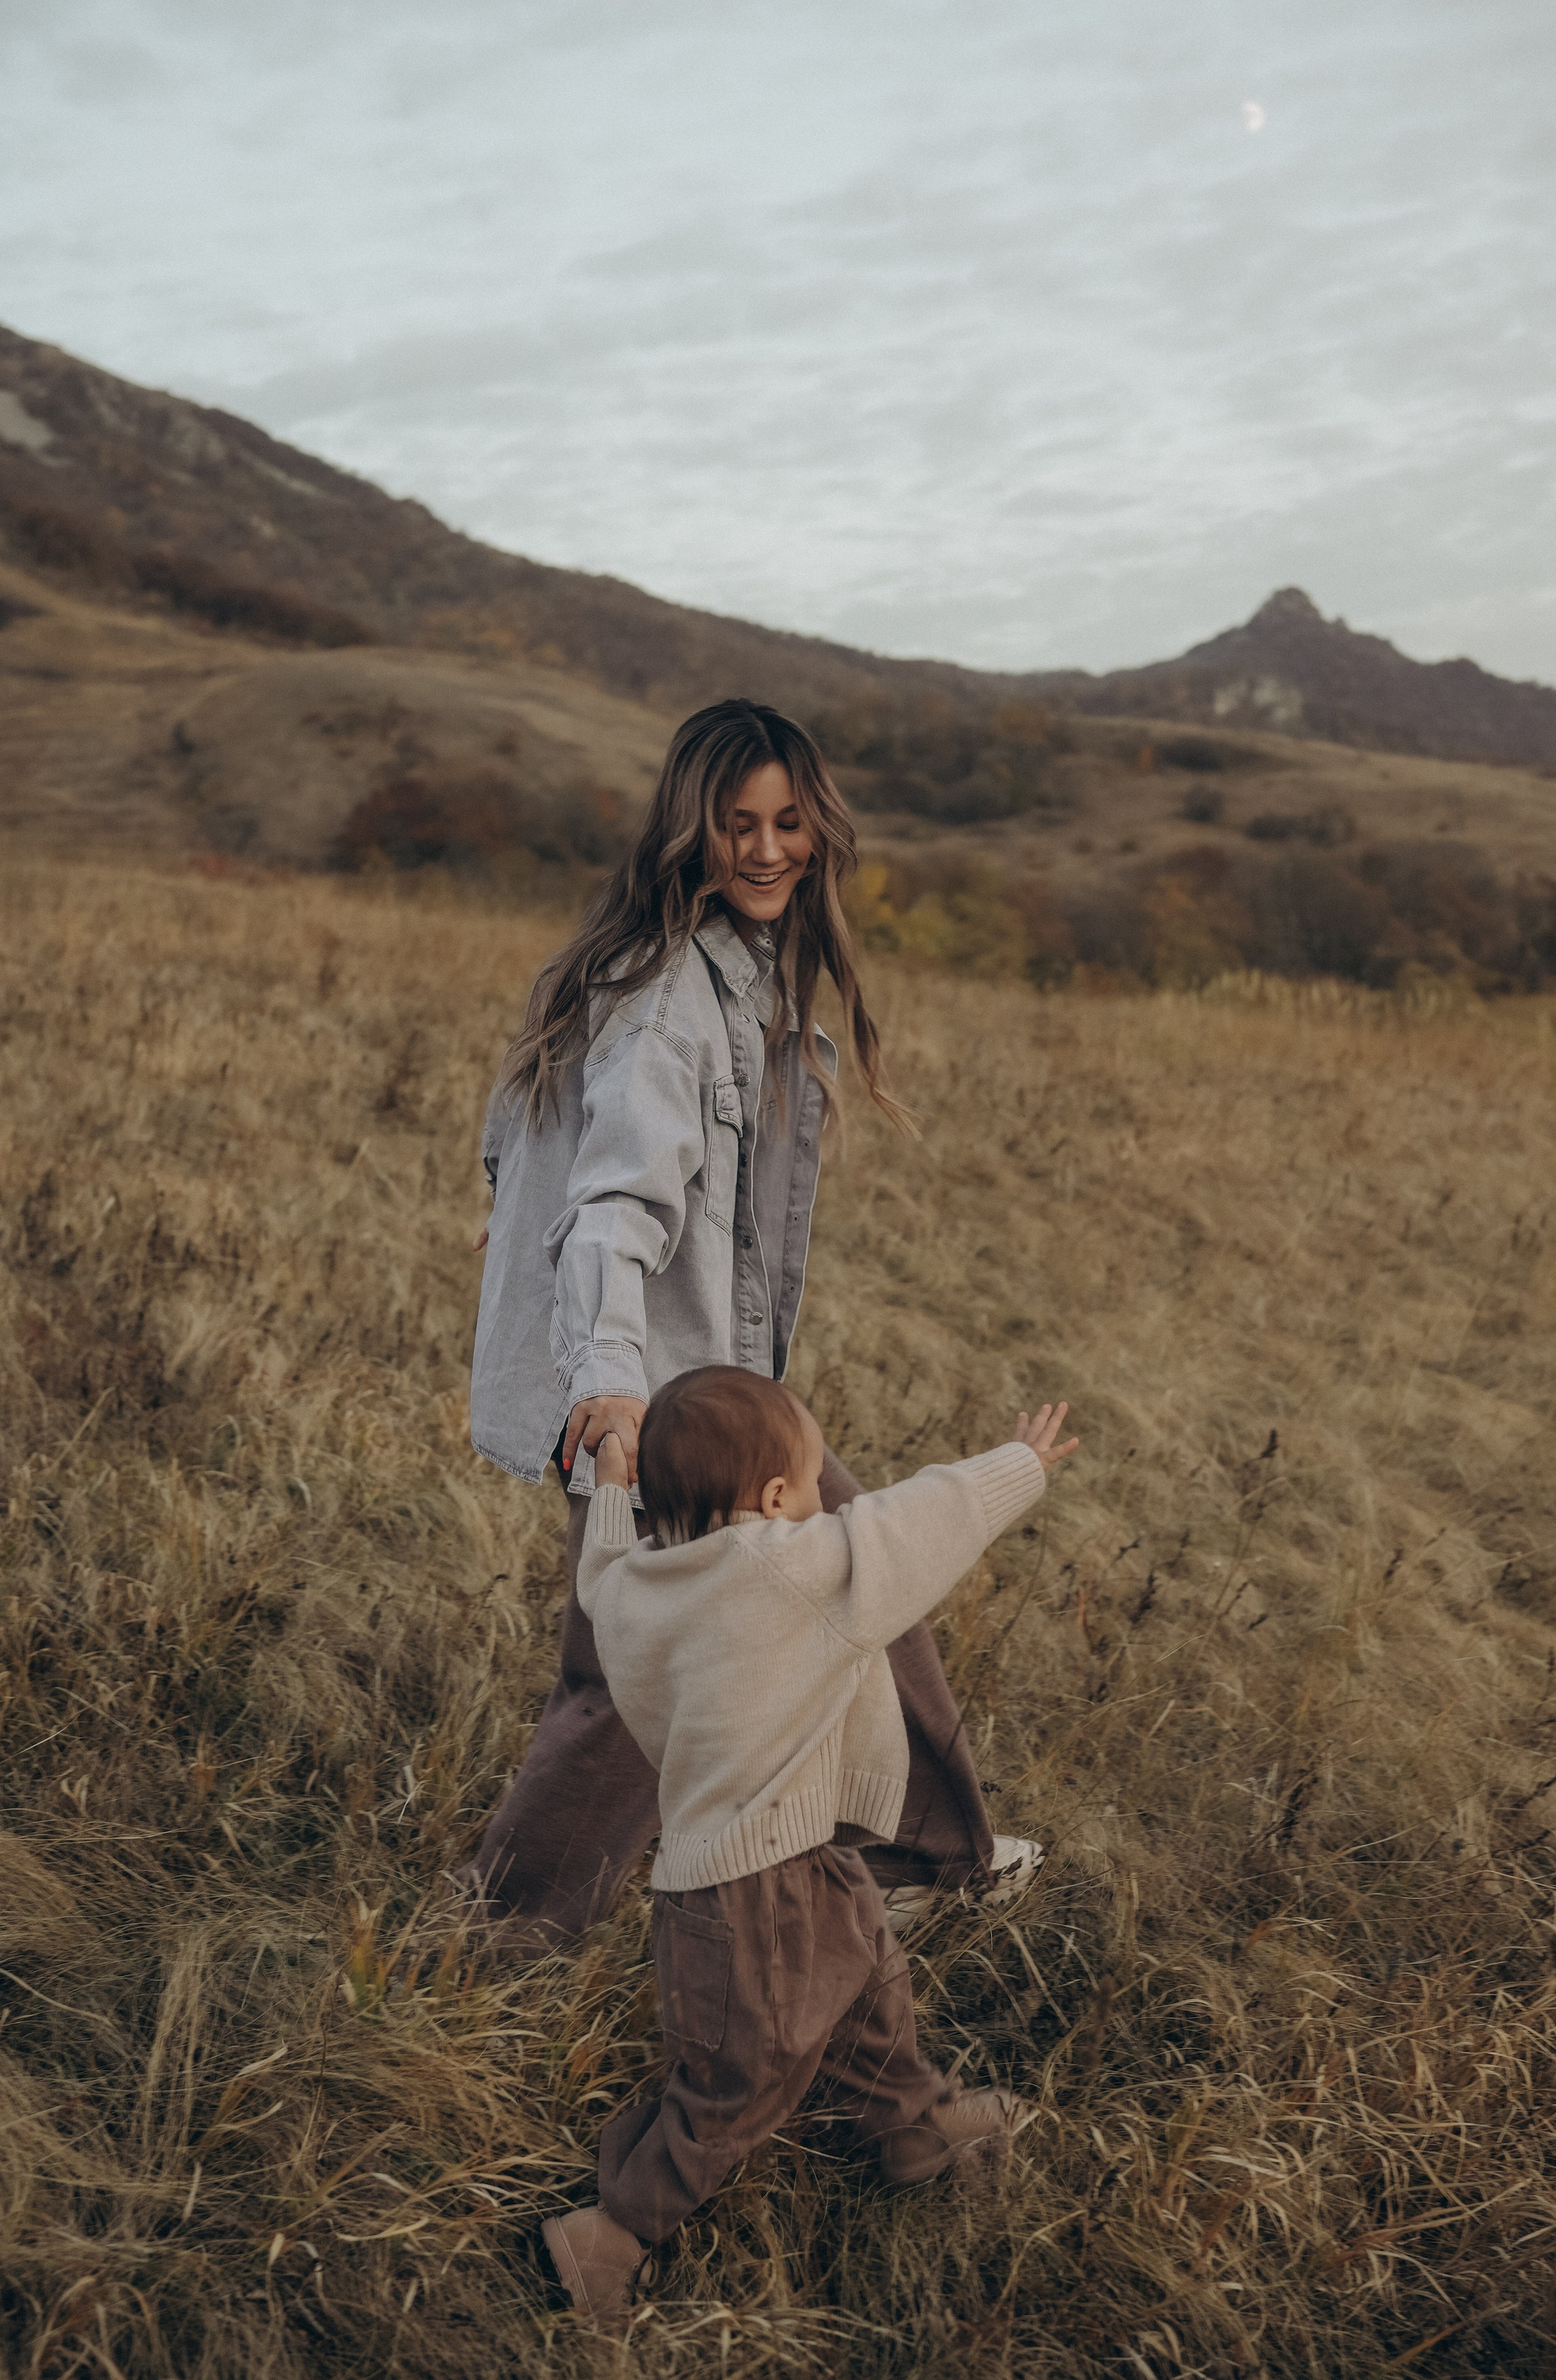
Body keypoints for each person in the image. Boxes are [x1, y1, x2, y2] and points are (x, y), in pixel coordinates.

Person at [464, 697, 1041, 1946]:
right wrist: (609, 1389)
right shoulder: (675, 997)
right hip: (648, 1398)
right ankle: (494, 1944)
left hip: (705, 1387)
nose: (769, 848)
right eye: (739, 825)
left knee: (851, 1554)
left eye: (789, 822)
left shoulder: (723, 969)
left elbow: (521, 1153)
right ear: (694, 831)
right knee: (626, 1677)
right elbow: (612, 1203)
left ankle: (927, 1847)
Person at [541, 1368, 1080, 2324]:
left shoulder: (636, 1593)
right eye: (809, 1480)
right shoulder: (794, 1568)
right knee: (743, 2078)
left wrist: (618, 1470)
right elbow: (914, 1523)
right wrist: (1018, 1464)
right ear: (782, 1498)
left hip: (781, 1859)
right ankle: (613, 2229)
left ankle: (913, 2125)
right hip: (748, 1892)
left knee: (871, 1983)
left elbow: (601, 1573)